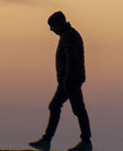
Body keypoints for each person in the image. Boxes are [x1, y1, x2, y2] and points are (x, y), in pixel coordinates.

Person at [29, 11, 91, 151]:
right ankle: (47, 140)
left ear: (59, 25)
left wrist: (66, 82)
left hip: (70, 81)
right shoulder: (67, 35)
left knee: (77, 109)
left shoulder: (69, 37)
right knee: (57, 106)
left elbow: (72, 61)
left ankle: (85, 142)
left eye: (52, 26)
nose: (51, 30)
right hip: (68, 81)